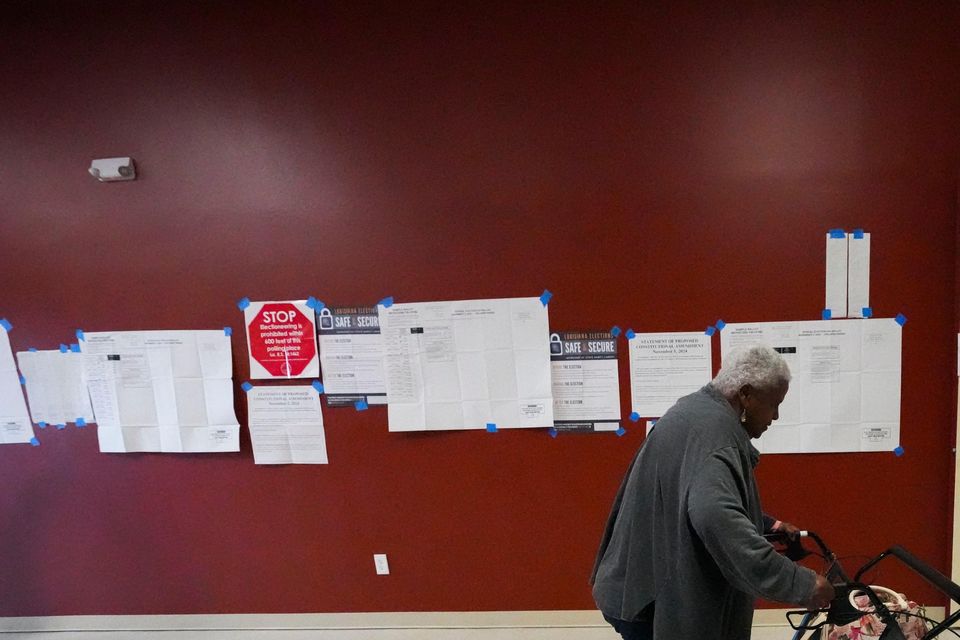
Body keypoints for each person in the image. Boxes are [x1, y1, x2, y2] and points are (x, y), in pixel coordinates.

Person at [590, 344, 835, 640]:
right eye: (773, 404)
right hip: (650, 600)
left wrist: (768, 524)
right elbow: (714, 516)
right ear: (745, 394)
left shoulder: (692, 410)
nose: (776, 416)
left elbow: (691, 494)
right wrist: (800, 584)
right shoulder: (718, 439)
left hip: (631, 583)